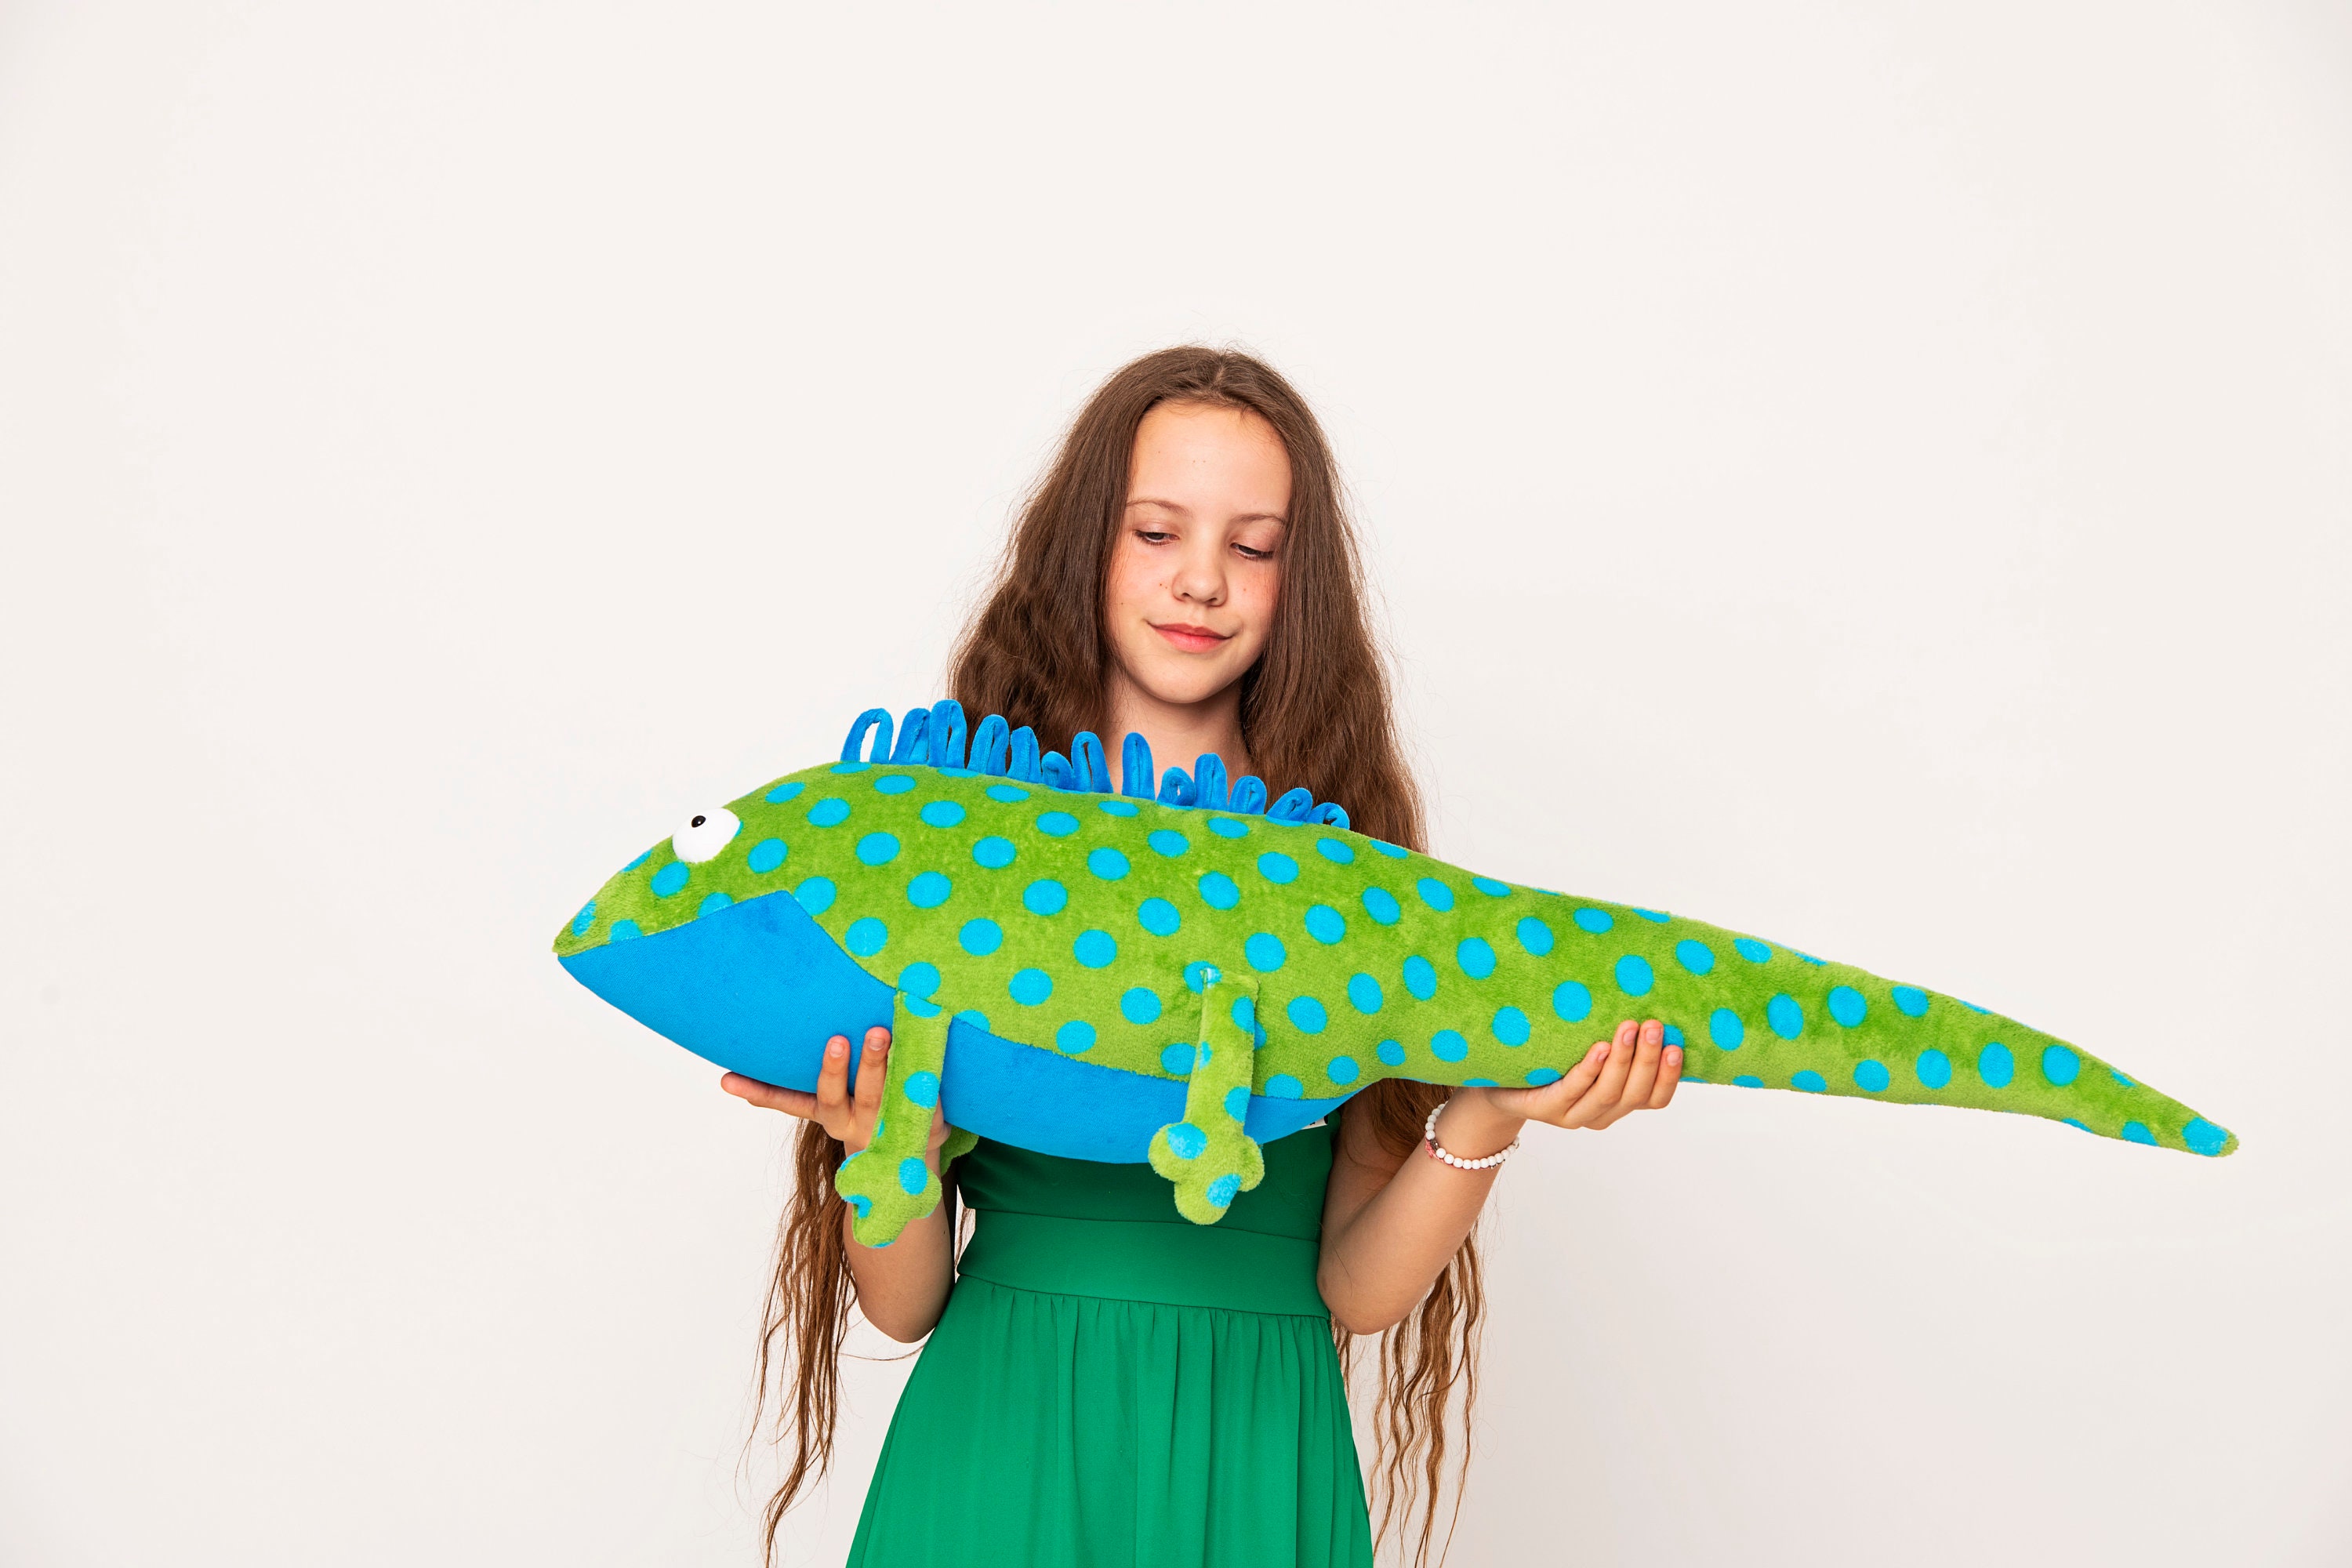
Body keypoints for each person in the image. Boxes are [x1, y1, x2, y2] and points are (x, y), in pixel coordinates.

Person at [720, 347, 1684, 1567]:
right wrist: (888, 1151)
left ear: (1299, 581)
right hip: (1004, 1442)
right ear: (1085, 547)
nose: (1201, 580)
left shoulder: (1352, 876)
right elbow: (903, 1305)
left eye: (1254, 546)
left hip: (1259, 1449)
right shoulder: (960, 841)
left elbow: (1358, 1289)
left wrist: (1489, 1110)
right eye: (1156, 531)